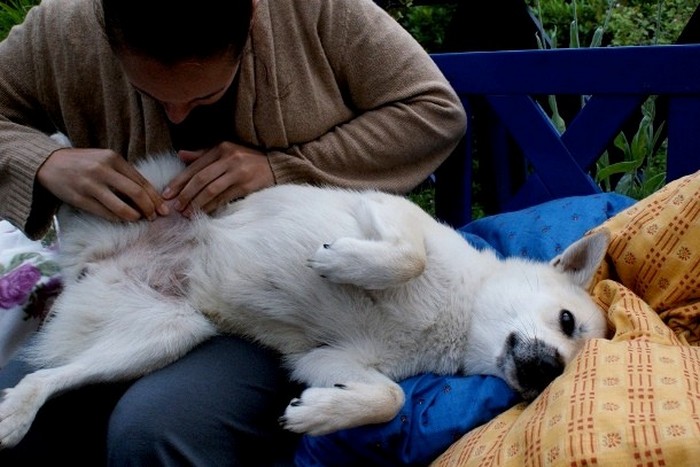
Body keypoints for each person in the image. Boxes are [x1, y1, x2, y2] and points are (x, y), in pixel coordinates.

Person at [0, 0, 466, 464]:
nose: (178, 117)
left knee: (154, 429)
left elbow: (434, 111)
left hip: (282, 307)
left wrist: (282, 168)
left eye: (203, 96)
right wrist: (45, 163)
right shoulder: (63, 26)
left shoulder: (322, 11)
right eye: (149, 93)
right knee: (21, 421)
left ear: (253, 15)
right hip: (128, 287)